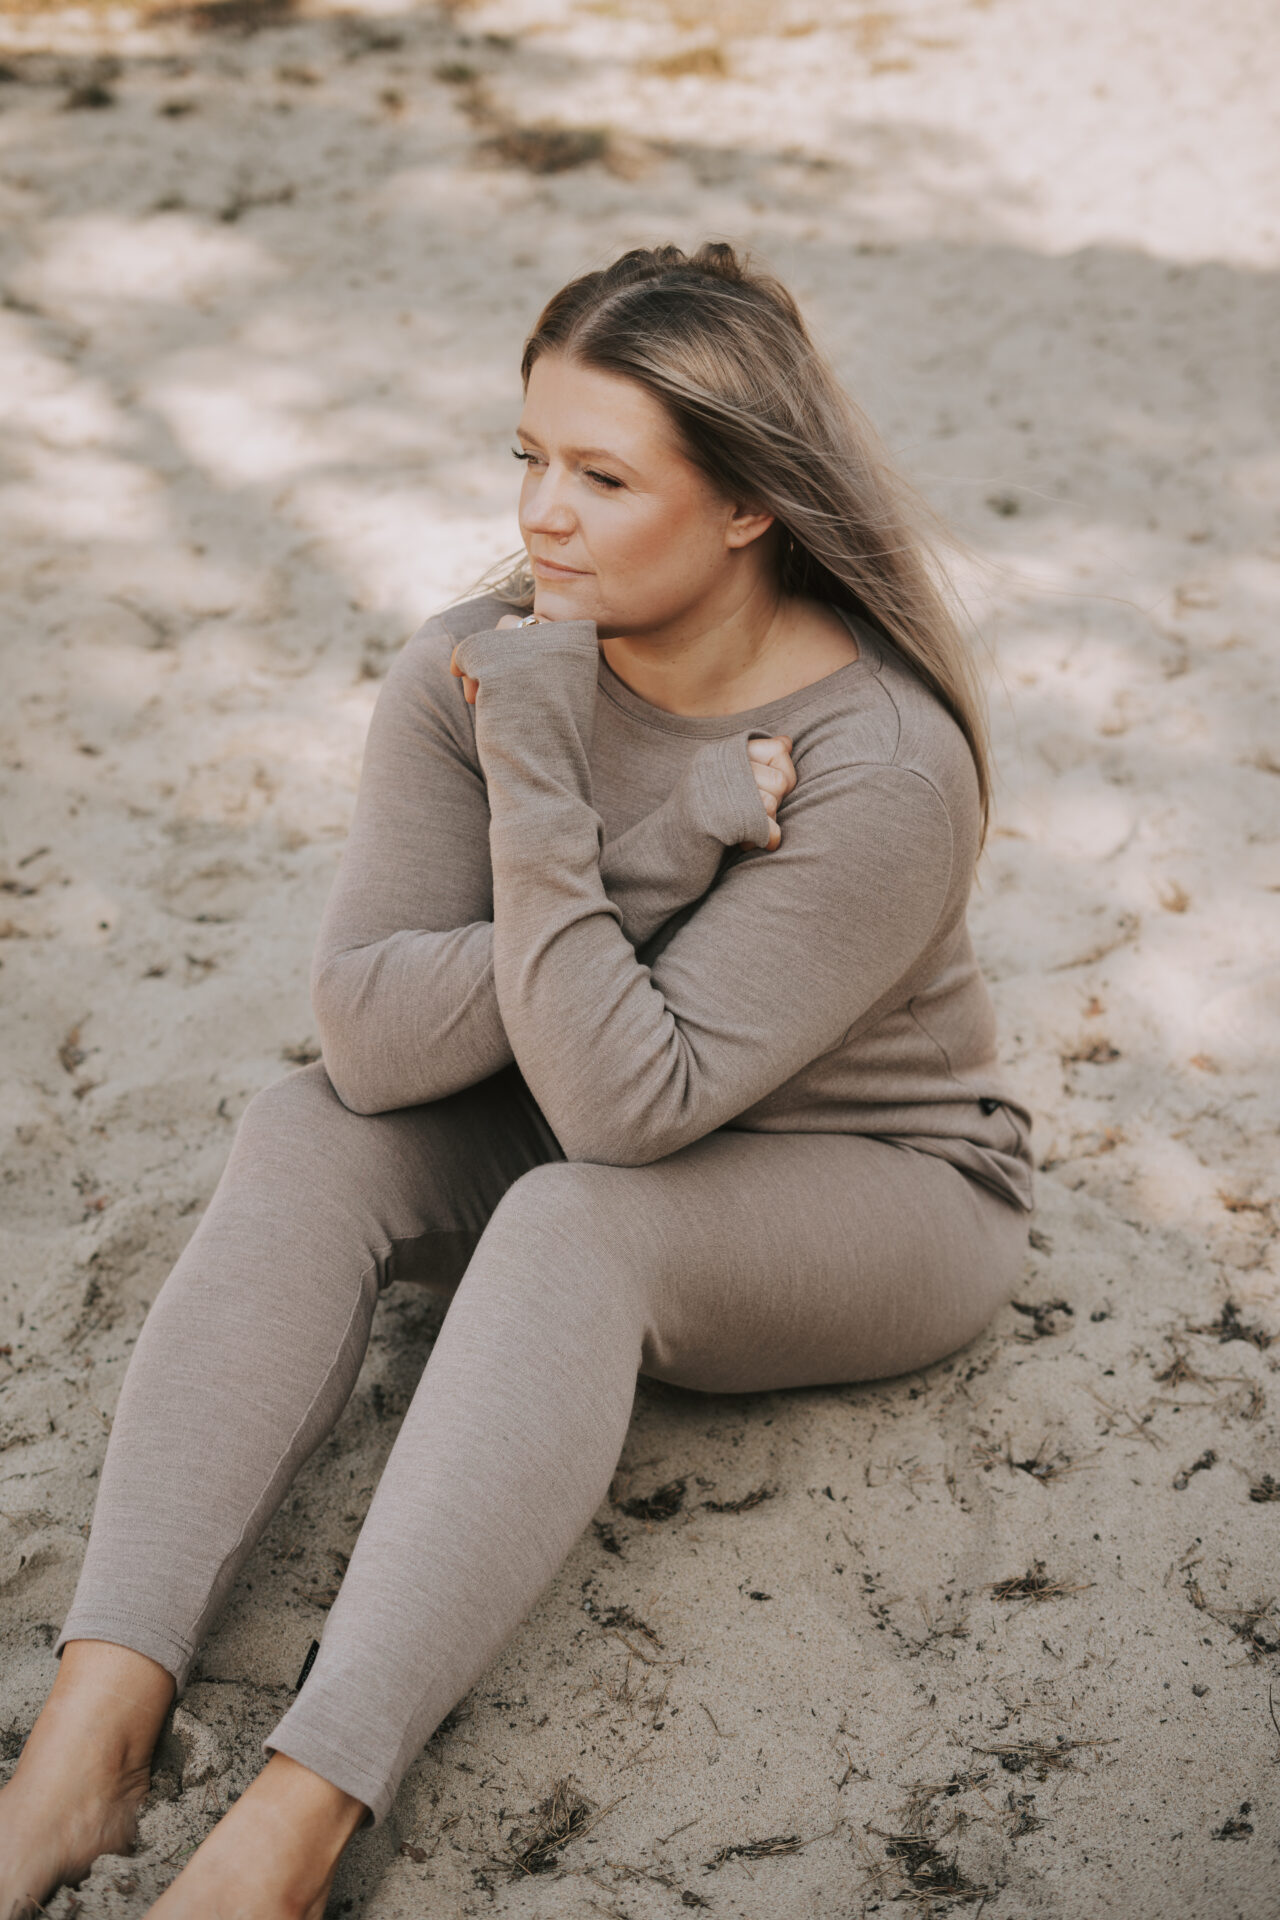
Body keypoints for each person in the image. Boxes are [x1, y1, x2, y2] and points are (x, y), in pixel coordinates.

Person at [0, 240, 1034, 1920]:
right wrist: (662, 831)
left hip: (877, 1180)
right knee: (305, 1126)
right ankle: (85, 1746)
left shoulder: (884, 760)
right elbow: (373, 1038)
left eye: (604, 477)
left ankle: (290, 1832)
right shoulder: (475, 666)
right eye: (530, 456)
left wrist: (544, 769)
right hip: (588, 1082)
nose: (543, 515)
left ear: (749, 503)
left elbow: (632, 1110)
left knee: (573, 1221)